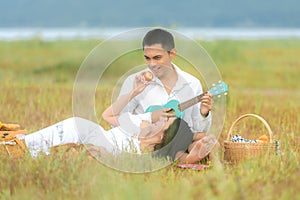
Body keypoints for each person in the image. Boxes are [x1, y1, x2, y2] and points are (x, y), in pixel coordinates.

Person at [22, 75, 194, 161]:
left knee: (28, 151)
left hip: (83, 142)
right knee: (25, 145)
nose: (162, 119)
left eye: (166, 122)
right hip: (78, 130)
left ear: (165, 136)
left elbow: (199, 145)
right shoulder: (141, 124)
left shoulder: (143, 156)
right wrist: (134, 92)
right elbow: (107, 115)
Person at [113, 28, 219, 163]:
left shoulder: (192, 83)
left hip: (178, 141)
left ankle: (194, 155)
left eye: (157, 58)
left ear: (172, 54)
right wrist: (144, 128)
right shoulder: (134, 81)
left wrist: (204, 113)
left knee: (209, 140)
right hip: (145, 143)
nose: (152, 64)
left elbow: (196, 129)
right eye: (147, 58)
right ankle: (186, 157)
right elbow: (117, 122)